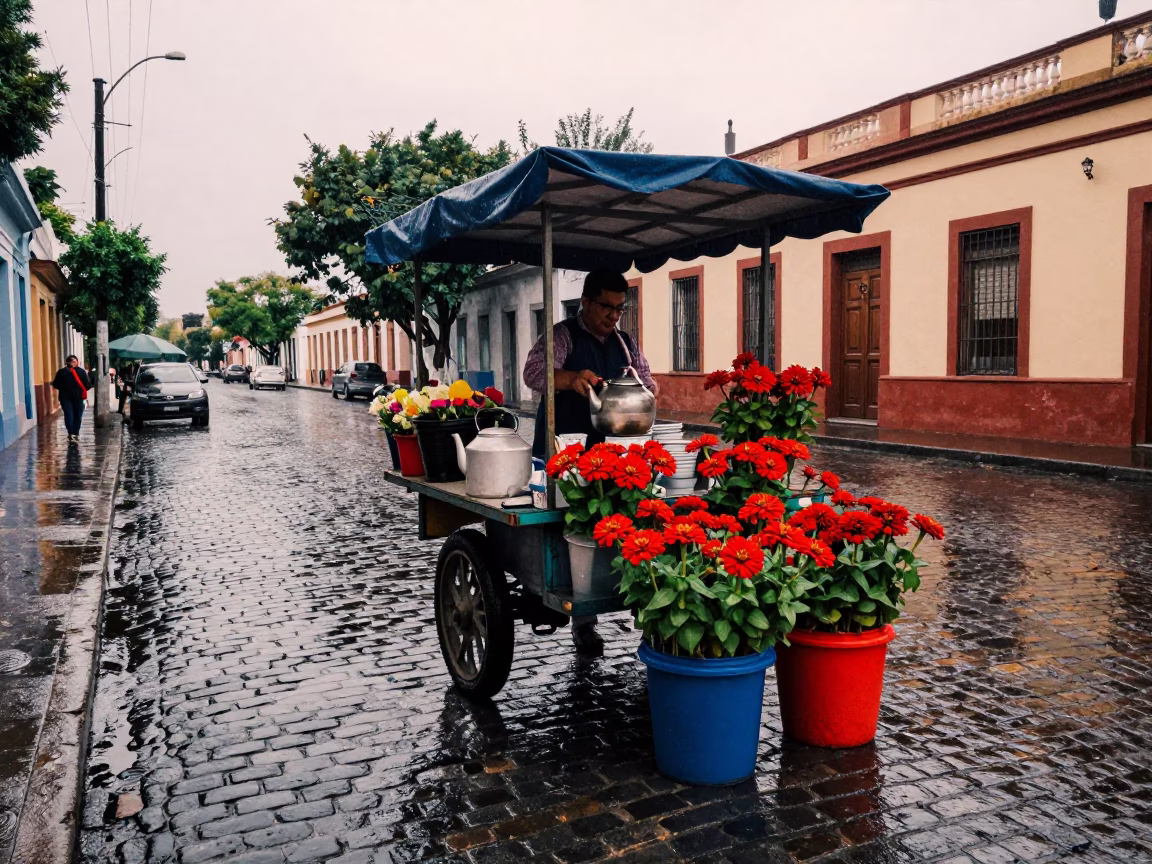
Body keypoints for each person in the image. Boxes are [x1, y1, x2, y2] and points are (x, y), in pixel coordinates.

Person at [522, 269, 659, 655]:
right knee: (578, 527)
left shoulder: (626, 342)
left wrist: (644, 392)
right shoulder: (562, 335)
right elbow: (533, 374)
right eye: (606, 307)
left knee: (631, 525)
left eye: (620, 309)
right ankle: (584, 625)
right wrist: (571, 379)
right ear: (585, 302)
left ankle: (644, 611)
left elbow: (647, 382)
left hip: (619, 455)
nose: (614, 316)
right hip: (567, 449)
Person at [51, 355, 92, 445]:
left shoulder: (61, 372)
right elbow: (88, 385)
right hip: (78, 397)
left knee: (68, 415)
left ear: (66, 362)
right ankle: (75, 433)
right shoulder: (81, 372)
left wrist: (64, 388)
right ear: (77, 362)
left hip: (65, 397)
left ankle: (71, 433)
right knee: (77, 416)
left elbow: (55, 384)